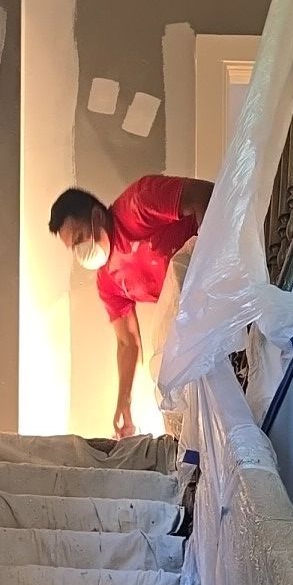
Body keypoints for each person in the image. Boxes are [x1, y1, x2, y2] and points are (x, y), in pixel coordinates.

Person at [49, 175, 214, 438]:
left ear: (97, 216)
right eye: (74, 248)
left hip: (218, 277)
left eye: (80, 237)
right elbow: (127, 342)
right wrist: (123, 403)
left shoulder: (137, 204)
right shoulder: (108, 281)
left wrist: (217, 262)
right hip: (201, 311)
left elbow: (204, 195)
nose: (80, 251)